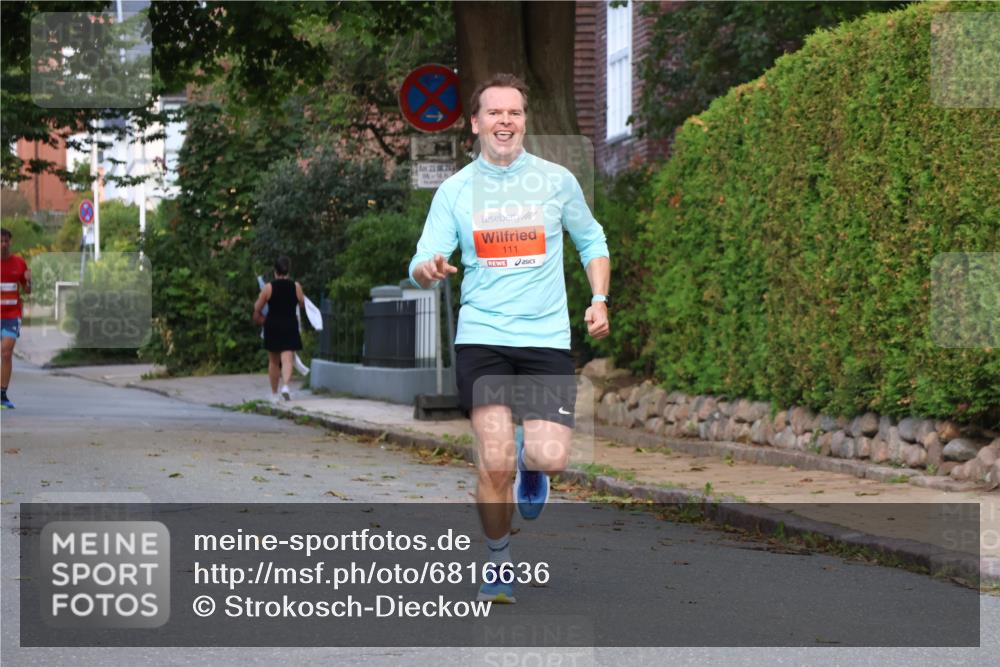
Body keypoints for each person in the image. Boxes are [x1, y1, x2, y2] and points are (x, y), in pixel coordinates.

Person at [408, 73, 610, 603]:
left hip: (545, 338)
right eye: (494, 113)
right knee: (491, 460)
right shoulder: (456, 191)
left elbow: (591, 239)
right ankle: (498, 562)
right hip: (483, 337)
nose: (504, 121)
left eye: (514, 113)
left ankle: (532, 463)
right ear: (475, 124)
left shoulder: (556, 181)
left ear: (525, 121)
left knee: (551, 457)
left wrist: (598, 298)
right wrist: (428, 268)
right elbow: (421, 259)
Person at [253, 256, 305, 403]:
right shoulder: (296, 286)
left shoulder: (268, 288)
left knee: (274, 361)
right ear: (288, 270)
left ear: (275, 271)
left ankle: (275, 394)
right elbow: (302, 303)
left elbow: (257, 307)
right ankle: (286, 387)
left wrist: (260, 316)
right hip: (290, 325)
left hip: (273, 325)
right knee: (287, 359)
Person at [1, 228, 32, 409]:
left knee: (6, 352)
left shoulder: (19, 263)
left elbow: (27, 291)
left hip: (11, 315)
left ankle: (2, 394)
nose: (3, 245)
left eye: (6, 241)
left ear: (10, 242)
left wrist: (29, 281)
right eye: (0, 241)